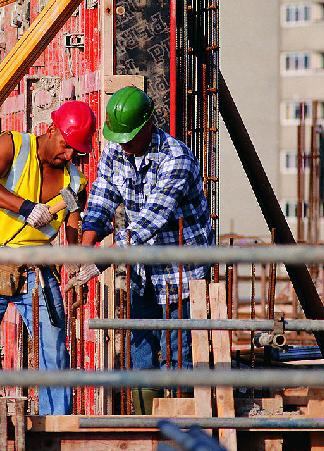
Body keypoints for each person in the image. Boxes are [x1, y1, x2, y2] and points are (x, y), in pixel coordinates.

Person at [0, 100, 96, 415]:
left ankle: (57, 427)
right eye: (66, 146)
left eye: (76, 151)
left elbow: (71, 230)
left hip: (36, 271)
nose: (69, 155)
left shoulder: (75, 181)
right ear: (51, 128)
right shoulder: (13, 144)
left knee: (54, 351)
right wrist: (25, 208)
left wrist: (78, 273)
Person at [66, 86, 214, 378]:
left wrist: (98, 264)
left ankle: (178, 419)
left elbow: (150, 220)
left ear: (148, 125)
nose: (123, 146)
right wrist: (83, 254)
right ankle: (147, 419)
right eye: (119, 139)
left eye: (129, 139)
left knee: (176, 356)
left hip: (179, 272)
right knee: (140, 352)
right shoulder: (115, 152)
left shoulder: (176, 159)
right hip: (143, 270)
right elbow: (100, 200)